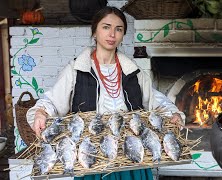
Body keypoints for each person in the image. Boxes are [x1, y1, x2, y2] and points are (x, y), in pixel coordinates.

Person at [26, 6, 185, 180]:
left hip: (130, 157)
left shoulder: (132, 71)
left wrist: (174, 113)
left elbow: (156, 99)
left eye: (119, 29)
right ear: (94, 32)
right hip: (92, 158)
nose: (112, 34)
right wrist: (41, 112)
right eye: (106, 27)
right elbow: (53, 101)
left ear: (123, 35)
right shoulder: (76, 69)